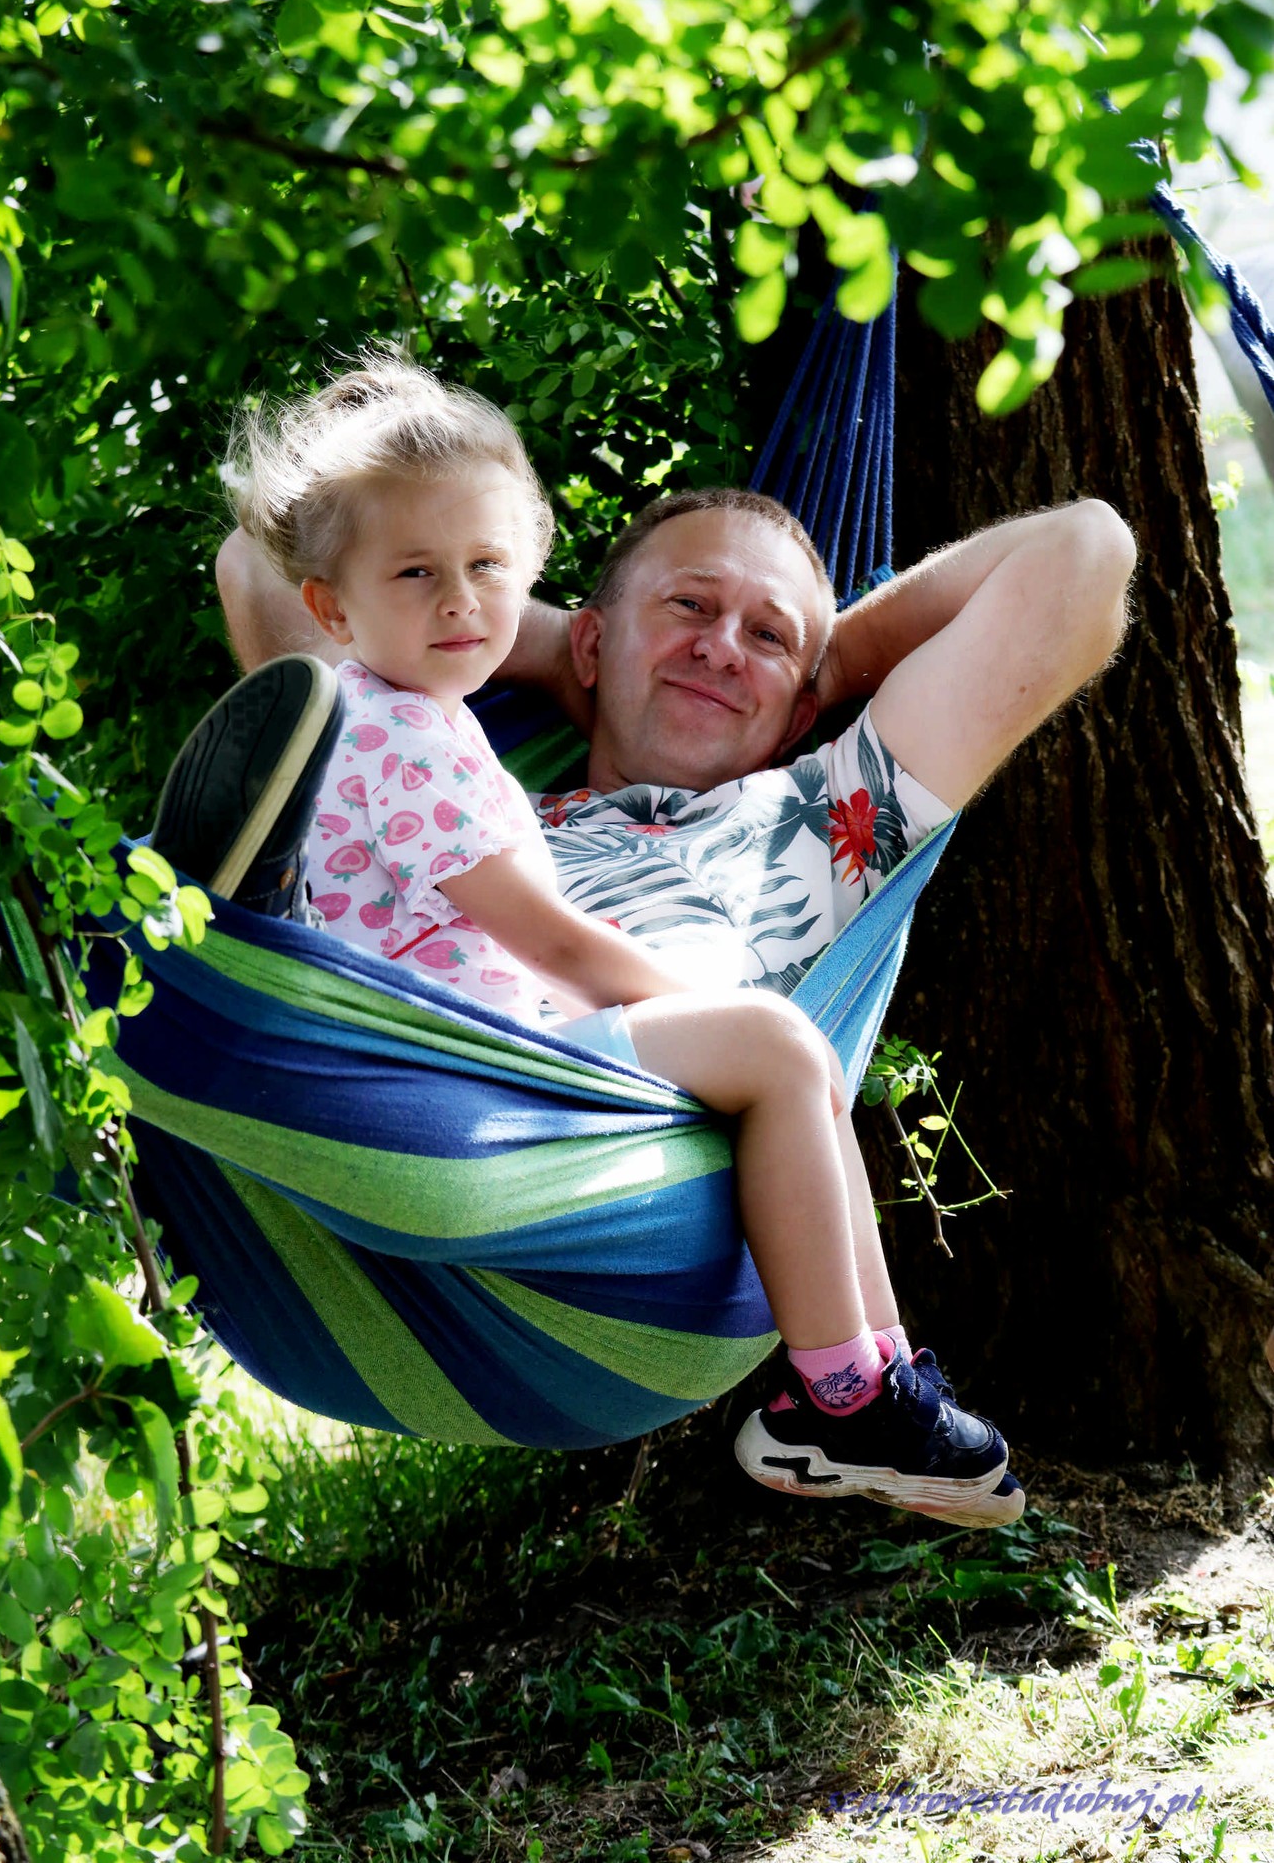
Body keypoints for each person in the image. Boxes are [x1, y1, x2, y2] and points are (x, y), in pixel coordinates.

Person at [176, 354, 1138, 1520]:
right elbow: (265, 563)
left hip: (604, 1143)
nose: (724, 645)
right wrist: (533, 642)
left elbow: (1085, 552)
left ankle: (854, 1392)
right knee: (227, 917)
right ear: (588, 643)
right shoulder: (451, 770)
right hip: (399, 1074)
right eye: (688, 607)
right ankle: (206, 974)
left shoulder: (833, 812)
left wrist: (825, 666)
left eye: (766, 633)